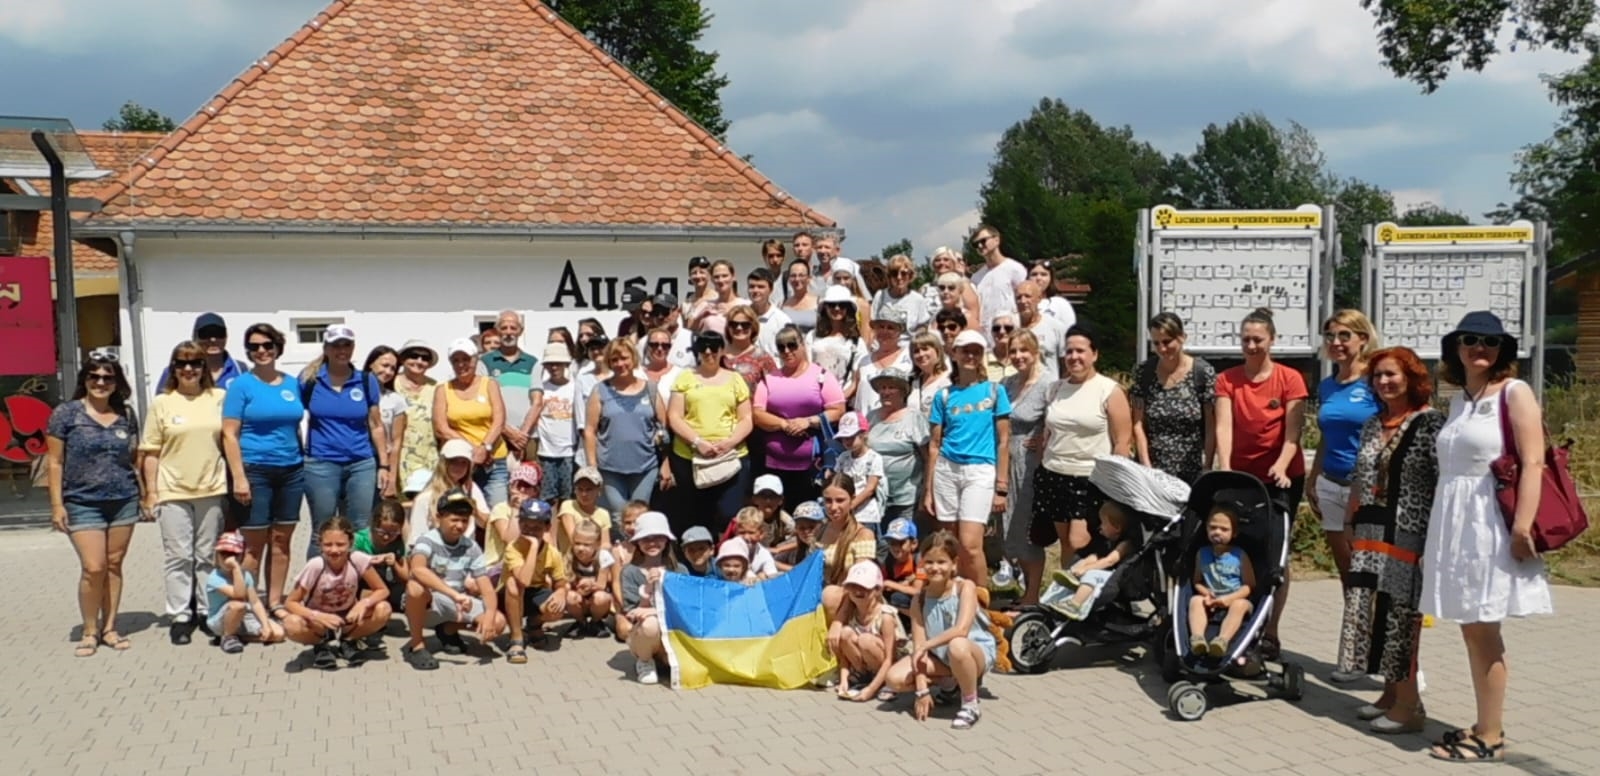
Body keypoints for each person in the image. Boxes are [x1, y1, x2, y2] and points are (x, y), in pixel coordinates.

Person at [1421, 312, 1553, 764]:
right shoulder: (1461, 399)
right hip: (1455, 522)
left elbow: (1534, 462)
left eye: (1491, 342)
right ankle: (1483, 721)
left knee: (1484, 630)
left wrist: (1522, 526)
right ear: (1455, 347)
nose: (1480, 348)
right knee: (1471, 629)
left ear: (1503, 351)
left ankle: (1492, 737)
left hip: (1490, 525)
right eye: (1471, 340)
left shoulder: (1514, 393)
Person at [1337, 347, 1443, 735]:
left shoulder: (1430, 423)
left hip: (1407, 532)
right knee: (1374, 614)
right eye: (1378, 376)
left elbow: (1439, 481)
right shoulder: (1372, 423)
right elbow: (1360, 476)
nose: (1384, 382)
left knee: (1401, 618)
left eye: (1392, 375)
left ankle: (1409, 707)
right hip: (1368, 530)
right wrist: (1350, 518)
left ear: (1412, 377)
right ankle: (1388, 694)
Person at [1214, 308, 1307, 658]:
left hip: (1280, 478)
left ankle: (1271, 630)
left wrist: (1281, 466)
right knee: (1242, 550)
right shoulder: (1228, 379)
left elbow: (1293, 431)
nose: (1251, 346)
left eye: (1258, 339)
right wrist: (1225, 467)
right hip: (1241, 478)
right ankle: (1237, 623)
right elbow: (1225, 426)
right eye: (1246, 340)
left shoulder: (1289, 379)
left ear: (1272, 340)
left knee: (1276, 556)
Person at [48, 349, 147, 657]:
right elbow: (54, 462)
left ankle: (110, 627)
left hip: (122, 500)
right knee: (94, 567)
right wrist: (56, 505)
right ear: (85, 379)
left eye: (108, 377)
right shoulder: (66, 413)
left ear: (116, 383)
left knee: (114, 565)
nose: (101, 382)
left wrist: (145, 495)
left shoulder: (126, 415)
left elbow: (134, 459)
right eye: (94, 376)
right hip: (82, 501)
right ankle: (90, 629)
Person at [140, 341, 228, 645]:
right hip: (172, 490)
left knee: (205, 556)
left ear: (204, 367)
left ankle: (205, 611)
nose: (188, 369)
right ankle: (180, 615)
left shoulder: (219, 398)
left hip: (212, 487)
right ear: (173, 368)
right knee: (178, 556)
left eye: (195, 363)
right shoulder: (162, 403)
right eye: (181, 363)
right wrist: (150, 493)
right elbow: (150, 452)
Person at [221, 323, 305, 613]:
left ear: (278, 348)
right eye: (254, 346)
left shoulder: (293, 384)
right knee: (254, 545)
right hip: (255, 470)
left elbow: (296, 426)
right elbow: (229, 433)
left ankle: (275, 602)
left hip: (291, 470)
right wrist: (239, 478)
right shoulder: (242, 385)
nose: (261, 351)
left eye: (267, 345)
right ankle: (246, 605)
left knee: (282, 542)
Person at [1035, 324, 1133, 565]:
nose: (1074, 357)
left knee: (1081, 540)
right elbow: (1048, 432)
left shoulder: (1109, 390)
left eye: (1080, 351)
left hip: (1089, 479)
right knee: (1065, 543)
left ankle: (1090, 589)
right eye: (1069, 352)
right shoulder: (1055, 389)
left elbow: (1122, 442)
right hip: (1054, 475)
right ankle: (1067, 592)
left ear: (1094, 354)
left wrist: (1117, 486)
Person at [884, 530, 996, 730]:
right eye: (929, 562)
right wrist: (921, 690)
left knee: (957, 645)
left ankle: (970, 703)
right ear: (922, 563)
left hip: (972, 651)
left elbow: (961, 630)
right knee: (894, 679)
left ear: (954, 564)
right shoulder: (919, 599)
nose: (935, 568)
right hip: (941, 657)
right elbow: (919, 647)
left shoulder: (964, 588)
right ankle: (952, 681)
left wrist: (927, 644)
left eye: (941, 562)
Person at [925, 330, 1011, 589]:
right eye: (965, 350)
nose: (970, 356)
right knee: (949, 541)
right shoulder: (944, 395)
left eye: (976, 351)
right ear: (954, 354)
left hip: (980, 469)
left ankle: (981, 601)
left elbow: (1004, 440)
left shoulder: (995, 391)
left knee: (971, 543)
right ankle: (953, 593)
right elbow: (934, 445)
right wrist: (928, 490)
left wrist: (1002, 486)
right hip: (947, 469)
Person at [300, 325, 389, 558]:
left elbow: (376, 424)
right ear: (326, 348)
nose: (342, 350)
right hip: (321, 464)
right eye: (336, 345)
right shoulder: (309, 381)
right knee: (324, 528)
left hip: (361, 463)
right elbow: (293, 416)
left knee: (359, 528)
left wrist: (384, 464)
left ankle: (358, 586)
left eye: (347, 345)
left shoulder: (366, 380)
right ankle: (316, 587)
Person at [1308, 311, 1380, 594]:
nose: (1336, 342)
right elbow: (1327, 434)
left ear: (1362, 339)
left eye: (1344, 335)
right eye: (1330, 336)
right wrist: (1313, 478)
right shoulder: (1328, 385)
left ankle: (1375, 629)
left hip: (1365, 486)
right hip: (1331, 483)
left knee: (1367, 563)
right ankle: (1355, 628)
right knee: (1345, 564)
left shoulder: (1376, 380)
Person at [401, 486, 506, 670]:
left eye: (464, 520)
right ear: (439, 517)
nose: (460, 525)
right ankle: (416, 645)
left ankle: (447, 630)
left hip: (457, 603)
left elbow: (486, 587)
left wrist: (489, 616)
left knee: (498, 622)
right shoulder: (427, 540)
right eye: (454, 519)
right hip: (430, 602)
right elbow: (418, 570)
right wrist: (453, 595)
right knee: (415, 587)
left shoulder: (471, 547)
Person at [665, 326, 754, 538]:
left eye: (714, 347)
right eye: (703, 347)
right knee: (695, 515)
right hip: (691, 458)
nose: (708, 352)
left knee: (727, 513)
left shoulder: (735, 379)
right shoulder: (685, 377)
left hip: (731, 457)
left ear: (722, 350)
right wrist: (697, 442)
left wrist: (730, 442)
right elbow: (674, 416)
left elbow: (747, 419)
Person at [753, 325, 847, 512]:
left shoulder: (821, 376)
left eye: (792, 345)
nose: (787, 351)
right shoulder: (770, 379)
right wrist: (783, 424)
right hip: (774, 464)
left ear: (802, 345)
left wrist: (809, 421)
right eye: (781, 347)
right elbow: (757, 414)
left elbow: (838, 410)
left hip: (812, 465)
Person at [281, 516, 392, 669]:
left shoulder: (356, 559)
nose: (334, 550)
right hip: (320, 621)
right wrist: (317, 616)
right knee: (291, 624)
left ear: (351, 543)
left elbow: (382, 590)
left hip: (348, 616)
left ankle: (348, 640)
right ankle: (321, 644)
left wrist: (363, 604)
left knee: (383, 609)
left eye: (340, 544)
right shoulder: (315, 565)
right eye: (328, 545)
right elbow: (290, 602)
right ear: (320, 544)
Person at [585, 339, 671, 515]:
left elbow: (664, 429)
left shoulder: (651, 389)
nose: (620, 364)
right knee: (618, 515)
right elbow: (590, 430)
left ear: (633, 358)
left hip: (645, 466)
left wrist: (666, 464)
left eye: (624, 358)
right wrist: (592, 466)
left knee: (640, 515)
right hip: (610, 468)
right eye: (614, 360)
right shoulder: (600, 390)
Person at [1131, 313, 1216, 484]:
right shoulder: (1144, 372)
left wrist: (1207, 467)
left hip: (1191, 470)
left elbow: (1211, 426)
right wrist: (1146, 467)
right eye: (1156, 343)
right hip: (1153, 471)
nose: (1162, 349)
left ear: (1182, 338)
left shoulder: (1202, 373)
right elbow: (1138, 424)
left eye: (1167, 341)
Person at [999, 330, 1050, 605]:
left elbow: (1058, 419)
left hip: (1031, 463)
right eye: (1014, 351)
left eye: (1024, 351)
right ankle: (1024, 590)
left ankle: (1032, 595)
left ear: (1035, 352)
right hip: (1006, 459)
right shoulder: (1007, 384)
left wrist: (1043, 437)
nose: (1019, 356)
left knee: (1028, 529)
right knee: (1009, 530)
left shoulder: (1047, 384)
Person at [435, 337, 509, 507]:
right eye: (456, 360)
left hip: (493, 460)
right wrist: (473, 450)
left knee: (497, 510)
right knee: (460, 510)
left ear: (475, 359)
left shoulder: (489, 384)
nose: (461, 364)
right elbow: (441, 428)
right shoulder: (443, 390)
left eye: (466, 359)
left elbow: (499, 420)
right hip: (459, 462)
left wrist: (485, 447)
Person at [503, 498, 567, 662]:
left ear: (547, 527)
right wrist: (533, 547)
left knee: (556, 608)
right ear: (519, 524)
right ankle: (516, 638)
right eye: (526, 525)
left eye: (537, 527)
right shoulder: (513, 548)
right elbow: (523, 580)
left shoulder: (553, 553)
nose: (530, 530)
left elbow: (561, 583)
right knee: (513, 585)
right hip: (510, 597)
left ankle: (534, 624)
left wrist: (561, 593)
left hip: (536, 591)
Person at [829, 560, 901, 702]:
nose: (857, 591)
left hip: (888, 665)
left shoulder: (885, 616)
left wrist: (871, 690)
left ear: (877, 590)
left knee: (865, 640)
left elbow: (889, 659)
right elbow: (844, 655)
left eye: (864, 587)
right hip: (866, 663)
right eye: (852, 586)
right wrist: (844, 680)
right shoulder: (853, 613)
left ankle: (883, 683)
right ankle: (861, 676)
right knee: (844, 633)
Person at [866, 368, 929, 530]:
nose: (885, 392)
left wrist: (927, 492)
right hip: (875, 496)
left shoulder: (914, 418)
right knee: (879, 545)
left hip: (906, 498)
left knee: (904, 543)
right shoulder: (871, 417)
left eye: (890, 387)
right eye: (882, 388)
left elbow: (928, 458)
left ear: (902, 391)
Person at [1189, 506, 1256, 658]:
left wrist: (1229, 599)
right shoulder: (1202, 553)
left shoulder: (1239, 555)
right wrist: (1207, 593)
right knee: (1195, 600)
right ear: (1206, 528)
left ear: (1234, 533)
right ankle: (1197, 638)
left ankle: (1222, 640)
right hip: (1211, 598)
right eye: (1213, 527)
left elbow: (1249, 585)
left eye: (1224, 529)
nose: (1217, 532)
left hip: (1236, 598)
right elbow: (1197, 581)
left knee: (1240, 605)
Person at [817, 475, 882, 632]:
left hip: (852, 600)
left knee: (830, 595)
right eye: (828, 501)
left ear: (852, 500)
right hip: (821, 592)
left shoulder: (863, 534)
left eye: (840, 500)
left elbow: (860, 585)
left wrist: (837, 622)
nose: (833, 507)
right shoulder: (820, 530)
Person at [1054, 501, 1138, 620]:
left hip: (1117, 577)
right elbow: (1098, 556)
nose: (1100, 526)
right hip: (1106, 571)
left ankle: (1075, 605)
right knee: (1090, 557)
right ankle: (1072, 574)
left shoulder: (1126, 544)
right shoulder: (1110, 540)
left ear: (1117, 527)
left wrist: (1086, 569)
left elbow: (1110, 561)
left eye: (1103, 523)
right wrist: (1082, 565)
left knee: (1092, 575)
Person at [205, 531, 285, 654]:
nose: (229, 559)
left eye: (234, 555)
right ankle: (227, 636)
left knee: (278, 634)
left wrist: (265, 625)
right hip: (219, 620)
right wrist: (236, 568)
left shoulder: (246, 575)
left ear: (241, 556)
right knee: (238, 605)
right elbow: (239, 594)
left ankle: (239, 637)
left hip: (244, 617)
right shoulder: (215, 577)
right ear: (217, 555)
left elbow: (255, 602)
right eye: (224, 554)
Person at [621, 511, 677, 684]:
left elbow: (686, 607)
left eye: (657, 538)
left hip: (674, 634)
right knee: (650, 623)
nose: (652, 543)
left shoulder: (679, 570)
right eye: (646, 539)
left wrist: (654, 609)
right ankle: (644, 661)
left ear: (666, 540)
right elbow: (634, 613)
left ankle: (667, 659)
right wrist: (649, 589)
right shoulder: (630, 572)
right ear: (637, 542)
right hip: (644, 634)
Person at [480, 311, 539, 464]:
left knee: (528, 486)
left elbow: (537, 402)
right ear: (497, 330)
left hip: (527, 438)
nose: (508, 332)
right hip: (496, 436)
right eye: (504, 328)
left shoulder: (532, 362)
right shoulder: (484, 362)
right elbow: (483, 402)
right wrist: (508, 431)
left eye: (513, 328)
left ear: (521, 331)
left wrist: (522, 434)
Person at [527, 342, 580, 506]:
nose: (554, 367)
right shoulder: (542, 389)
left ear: (566, 364)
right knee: (547, 498)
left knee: (568, 497)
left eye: (558, 363)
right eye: (550, 364)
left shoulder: (575, 387)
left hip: (569, 451)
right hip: (546, 452)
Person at [391, 339, 439, 497]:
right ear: (403, 359)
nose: (419, 361)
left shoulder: (436, 387)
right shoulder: (391, 383)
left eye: (425, 358)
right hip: (398, 457)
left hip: (430, 456)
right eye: (414, 356)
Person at [156, 312, 247, 390]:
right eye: (206, 334)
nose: (213, 339)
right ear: (194, 337)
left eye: (219, 333)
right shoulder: (176, 371)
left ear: (226, 336)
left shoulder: (240, 369)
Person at [355, 498, 410, 623]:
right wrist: (368, 561)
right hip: (362, 585)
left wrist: (394, 563)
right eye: (381, 532)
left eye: (393, 532)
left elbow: (406, 575)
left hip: (388, 584)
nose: (386, 537)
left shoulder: (398, 542)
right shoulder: (359, 540)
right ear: (373, 525)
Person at [363, 345, 408, 498]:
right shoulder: (354, 394)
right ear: (371, 364)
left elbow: (396, 442)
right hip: (358, 459)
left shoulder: (395, 400)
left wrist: (392, 477)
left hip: (382, 462)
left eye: (392, 368)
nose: (388, 372)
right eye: (384, 365)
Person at [831, 412, 885, 533]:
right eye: (844, 438)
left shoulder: (874, 458)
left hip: (866, 515)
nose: (847, 441)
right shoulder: (843, 458)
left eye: (851, 437)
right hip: (845, 514)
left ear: (864, 434)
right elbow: (836, 482)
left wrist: (850, 506)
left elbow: (870, 489)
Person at [852, 306, 911, 413]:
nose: (885, 331)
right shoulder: (864, 361)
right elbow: (853, 388)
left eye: (890, 328)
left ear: (899, 332)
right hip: (866, 425)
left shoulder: (910, 357)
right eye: (881, 327)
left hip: (897, 423)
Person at [564, 518, 616, 638]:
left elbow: (601, 585)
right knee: (569, 596)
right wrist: (577, 587)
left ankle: (595, 622)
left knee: (601, 598)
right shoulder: (570, 555)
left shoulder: (603, 556)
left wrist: (590, 584)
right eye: (577, 543)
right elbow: (567, 580)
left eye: (587, 545)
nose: (581, 548)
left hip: (596, 597)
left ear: (597, 544)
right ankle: (581, 623)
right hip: (578, 596)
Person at [969, 224, 1027, 328]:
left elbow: (1025, 299)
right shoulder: (976, 278)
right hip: (986, 332)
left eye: (983, 241)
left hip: (1010, 329)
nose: (980, 246)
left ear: (996, 240)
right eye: (975, 244)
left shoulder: (1015, 269)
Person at [809, 285, 865, 389]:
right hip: (814, 395)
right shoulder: (812, 336)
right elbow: (806, 368)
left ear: (848, 308)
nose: (837, 308)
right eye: (832, 304)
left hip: (843, 398)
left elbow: (856, 380)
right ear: (825, 307)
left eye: (842, 305)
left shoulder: (857, 342)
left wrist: (840, 399)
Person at [870, 254, 932, 339]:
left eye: (903, 273)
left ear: (910, 276)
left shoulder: (918, 299)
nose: (899, 277)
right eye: (894, 273)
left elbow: (923, 326)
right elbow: (872, 322)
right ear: (889, 277)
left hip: (907, 345)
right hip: (882, 344)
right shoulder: (880, 295)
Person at [721, 304, 778, 392]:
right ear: (728, 327)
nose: (739, 328)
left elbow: (775, 389)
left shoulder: (763, 358)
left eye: (745, 325)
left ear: (753, 327)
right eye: (733, 324)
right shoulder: (718, 355)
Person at [557, 467, 613, 554]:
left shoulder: (604, 514)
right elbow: (573, 539)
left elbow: (606, 543)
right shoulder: (568, 506)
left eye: (589, 490)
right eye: (580, 489)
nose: (584, 494)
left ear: (599, 490)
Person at [882, 517, 924, 614]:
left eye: (901, 543)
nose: (896, 548)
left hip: (917, 603)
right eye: (892, 543)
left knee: (897, 598)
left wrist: (891, 584)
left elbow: (917, 591)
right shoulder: (888, 562)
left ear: (913, 543)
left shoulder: (919, 561)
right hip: (898, 603)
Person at [746, 268, 793, 354]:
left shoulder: (782, 321)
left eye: (761, 287)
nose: (755, 290)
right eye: (752, 286)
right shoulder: (741, 317)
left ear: (771, 289)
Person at [907, 331, 952, 421]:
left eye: (925, 349)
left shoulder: (949, 379)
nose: (921, 354)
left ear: (937, 351)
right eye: (916, 351)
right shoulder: (912, 382)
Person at [776, 500, 824, 572]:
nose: (806, 531)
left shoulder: (824, 548)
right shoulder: (798, 546)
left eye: (811, 527)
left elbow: (806, 571)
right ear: (796, 529)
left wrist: (774, 564)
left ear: (822, 526)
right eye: (801, 528)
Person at [1027, 260, 1077, 325]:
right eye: (1034, 274)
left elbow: (1070, 329)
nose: (1038, 278)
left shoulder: (1060, 303)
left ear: (1051, 278)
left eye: (1043, 274)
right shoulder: (1021, 303)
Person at [780, 259, 820, 336]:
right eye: (793, 275)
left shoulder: (818, 303)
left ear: (809, 278)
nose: (797, 279)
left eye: (801, 275)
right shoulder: (783, 304)